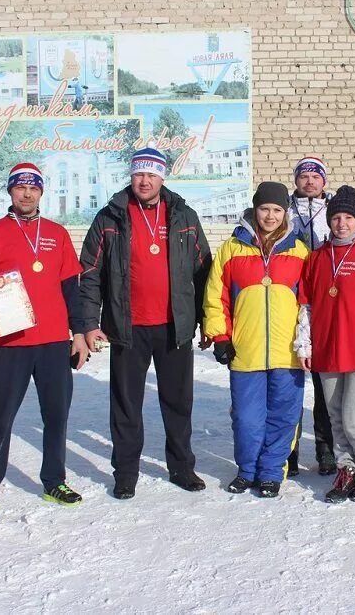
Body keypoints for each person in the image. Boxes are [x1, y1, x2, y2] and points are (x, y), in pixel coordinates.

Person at [78, 148, 212, 500]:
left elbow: (204, 270)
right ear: (132, 176)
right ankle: (125, 473)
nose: (144, 180)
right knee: (125, 404)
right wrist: (91, 322)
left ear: (162, 177)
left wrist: (206, 321)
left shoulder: (183, 215)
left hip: (173, 327)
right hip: (127, 327)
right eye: (139, 174)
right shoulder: (110, 217)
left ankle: (182, 467)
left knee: (179, 402)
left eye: (151, 174)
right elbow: (90, 273)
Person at [0, 163, 90, 523]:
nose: (26, 193)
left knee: (56, 416)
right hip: (11, 343)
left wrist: (78, 333)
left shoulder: (57, 233)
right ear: (10, 191)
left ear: (41, 192)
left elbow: (72, 288)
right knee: (0, 419)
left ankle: (54, 480)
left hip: (53, 341)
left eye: (33, 187)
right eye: (20, 187)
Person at [204, 182, 309, 498]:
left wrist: (307, 342)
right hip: (246, 351)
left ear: (285, 213)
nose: (271, 215)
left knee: (283, 417)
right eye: (265, 208)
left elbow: (309, 304)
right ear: (255, 209)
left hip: (288, 353)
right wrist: (220, 335)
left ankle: (271, 472)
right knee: (247, 419)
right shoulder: (232, 248)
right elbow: (215, 296)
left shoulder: (299, 251)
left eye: (278, 210)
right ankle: (247, 470)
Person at [293, 186, 355, 503]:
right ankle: (346, 469)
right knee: (335, 417)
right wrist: (305, 345)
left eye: (348, 217)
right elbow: (306, 306)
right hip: (327, 350)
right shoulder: (317, 258)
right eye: (336, 217)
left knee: (354, 418)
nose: (341, 223)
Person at [286, 156, 336, 476]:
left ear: (323, 181)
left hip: (324, 305)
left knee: (324, 387)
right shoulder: (284, 210)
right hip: (287, 304)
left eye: (314, 176)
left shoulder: (337, 211)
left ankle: (325, 449)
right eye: (303, 176)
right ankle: (288, 451)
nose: (309, 181)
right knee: (289, 386)